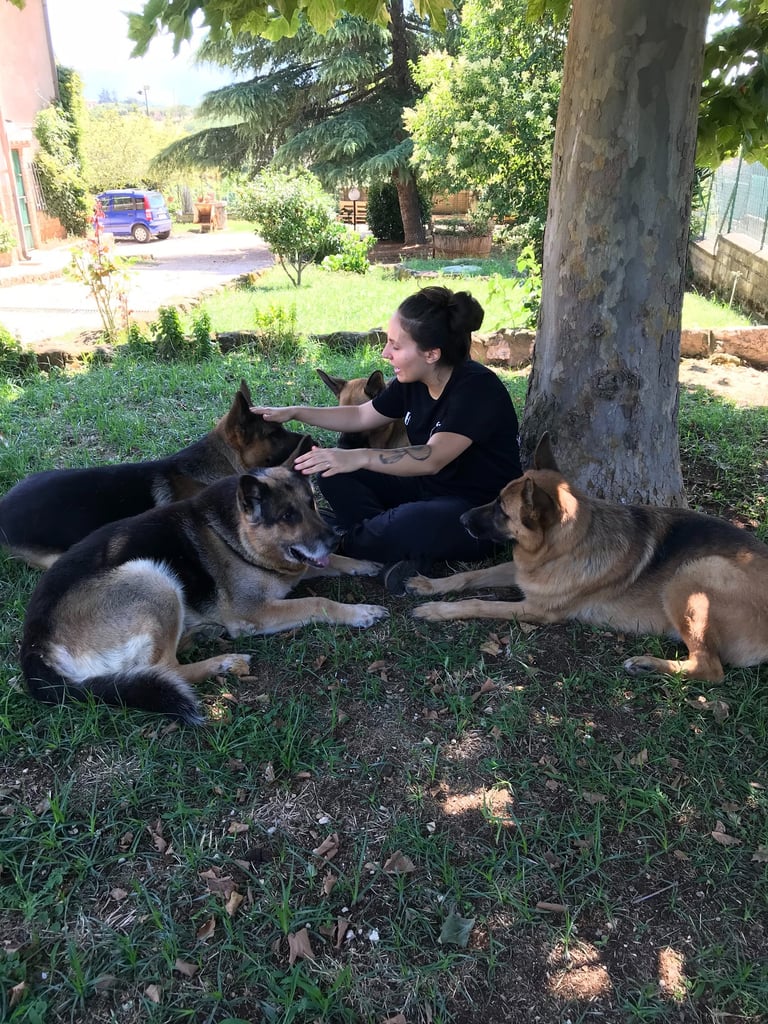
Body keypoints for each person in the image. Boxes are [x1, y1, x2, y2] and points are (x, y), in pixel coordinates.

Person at [251, 286, 522, 593]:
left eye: (396, 345)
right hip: (426, 492)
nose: (385, 353)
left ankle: (356, 539)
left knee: (398, 518)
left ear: (432, 354)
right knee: (331, 471)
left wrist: (359, 456)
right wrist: (295, 412)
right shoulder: (414, 380)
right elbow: (361, 416)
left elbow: (432, 459)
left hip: (475, 511)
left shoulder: (476, 390)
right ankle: (386, 539)